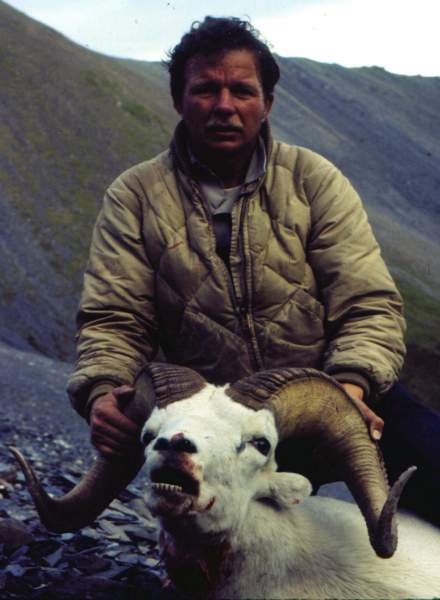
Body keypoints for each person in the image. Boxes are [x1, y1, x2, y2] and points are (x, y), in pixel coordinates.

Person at [67, 17, 439, 524]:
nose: (224, 106)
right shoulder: (134, 196)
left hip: (325, 399)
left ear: (267, 104)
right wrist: (102, 390)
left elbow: (368, 303)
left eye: (242, 90)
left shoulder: (313, 180)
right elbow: (113, 318)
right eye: (205, 89)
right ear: (179, 100)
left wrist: (351, 385)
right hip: (217, 420)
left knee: (432, 461)